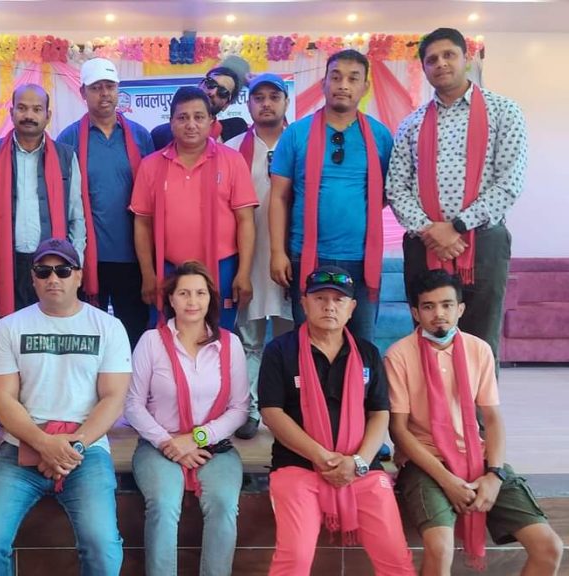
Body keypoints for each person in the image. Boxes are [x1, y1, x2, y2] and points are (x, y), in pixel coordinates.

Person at [0, 238, 131, 575]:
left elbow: (114, 398)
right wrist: (43, 443)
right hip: (20, 449)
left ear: (79, 276)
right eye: (44, 271)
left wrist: (73, 446)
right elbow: (3, 400)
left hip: (86, 452)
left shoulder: (108, 327)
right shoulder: (9, 327)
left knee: (102, 547)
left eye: (63, 270)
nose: (53, 278)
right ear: (33, 278)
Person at [386, 269, 563, 575]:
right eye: (428, 306)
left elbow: (492, 419)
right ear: (415, 313)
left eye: (447, 305)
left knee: (549, 547)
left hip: (476, 456)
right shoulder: (398, 355)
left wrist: (494, 474)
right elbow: (398, 431)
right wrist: (447, 481)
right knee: (440, 548)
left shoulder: (479, 349)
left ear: (460, 309)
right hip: (426, 462)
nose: (439, 314)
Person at [258, 265, 415, 575]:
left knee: (397, 559)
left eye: (338, 300)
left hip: (361, 469)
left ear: (352, 307)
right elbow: (272, 412)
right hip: (298, 466)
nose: (329, 306)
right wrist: (323, 458)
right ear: (304, 303)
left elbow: (379, 412)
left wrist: (359, 461)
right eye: (320, 298)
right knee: (295, 559)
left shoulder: (368, 353)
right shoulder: (280, 351)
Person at [386, 28, 528, 363]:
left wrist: (457, 226)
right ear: (424, 68)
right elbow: (396, 188)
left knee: (480, 340)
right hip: (424, 244)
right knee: (428, 337)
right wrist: (431, 231)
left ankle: (477, 401)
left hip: (483, 242)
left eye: (449, 55)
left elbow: (509, 182)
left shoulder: (503, 111)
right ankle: (428, 399)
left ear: (466, 58)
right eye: (431, 59)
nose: (441, 63)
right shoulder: (411, 123)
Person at [125, 261, 249, 575]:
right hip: (158, 446)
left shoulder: (229, 344)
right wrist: (169, 443)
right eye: (184, 293)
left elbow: (239, 408)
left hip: (214, 447)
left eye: (200, 293)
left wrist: (196, 438)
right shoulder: (151, 342)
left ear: (210, 299)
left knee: (223, 504)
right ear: (171, 299)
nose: (192, 301)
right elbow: (132, 404)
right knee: (164, 504)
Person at [269, 49, 394, 345]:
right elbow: (278, 197)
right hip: (307, 256)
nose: (343, 85)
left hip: (361, 259)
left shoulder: (380, 135)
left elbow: (388, 193)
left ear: (365, 86)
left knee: (361, 344)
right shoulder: (296, 134)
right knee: (310, 343)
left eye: (353, 78)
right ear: (323, 83)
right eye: (335, 77)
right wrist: (277, 253)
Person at [131, 86, 257, 330]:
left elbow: (246, 220)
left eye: (198, 117)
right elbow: (142, 224)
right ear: (171, 123)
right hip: (169, 268)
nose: (191, 124)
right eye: (182, 117)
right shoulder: (151, 166)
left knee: (218, 335)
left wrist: (243, 273)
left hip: (222, 268)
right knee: (168, 336)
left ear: (211, 121)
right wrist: (148, 273)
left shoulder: (232, 161)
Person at [56, 57, 155, 349]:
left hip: (133, 256)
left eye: (110, 86)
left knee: (134, 336)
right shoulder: (69, 138)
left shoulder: (139, 136)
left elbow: (151, 196)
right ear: (83, 93)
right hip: (88, 257)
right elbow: (61, 199)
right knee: (89, 337)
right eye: (96, 87)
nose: (104, 94)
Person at [0, 84, 85, 320]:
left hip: (54, 266)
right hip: (6, 265)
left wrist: (76, 263)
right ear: (11, 112)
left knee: (52, 329)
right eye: (22, 108)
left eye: (36, 109)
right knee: (9, 329)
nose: (29, 115)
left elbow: (76, 215)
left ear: (47, 116)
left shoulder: (65, 156)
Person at [225, 73, 294, 439]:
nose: (266, 103)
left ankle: (286, 411)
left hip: (290, 257)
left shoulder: (300, 142)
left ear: (286, 102)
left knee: (290, 338)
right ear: (248, 104)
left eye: (274, 97)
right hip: (248, 258)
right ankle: (250, 410)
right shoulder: (232, 147)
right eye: (259, 97)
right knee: (248, 341)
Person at [150, 59, 249, 150]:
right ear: (200, 84)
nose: (212, 92)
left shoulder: (237, 130)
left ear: (226, 105)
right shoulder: (160, 135)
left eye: (222, 92)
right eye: (210, 84)